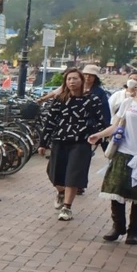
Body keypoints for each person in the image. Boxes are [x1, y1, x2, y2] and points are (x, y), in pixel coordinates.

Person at [38, 68, 104, 221]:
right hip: (60, 140)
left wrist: (97, 136)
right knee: (54, 173)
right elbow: (50, 121)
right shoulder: (60, 99)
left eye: (75, 79)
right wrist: (43, 142)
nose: (72, 82)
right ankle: (60, 191)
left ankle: (67, 207)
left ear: (81, 80)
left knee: (73, 175)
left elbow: (101, 120)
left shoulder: (92, 100)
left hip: (80, 142)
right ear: (65, 82)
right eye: (69, 79)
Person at [90, 82, 137, 244]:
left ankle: (133, 231)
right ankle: (118, 226)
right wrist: (98, 135)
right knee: (115, 189)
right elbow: (115, 126)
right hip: (123, 152)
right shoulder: (128, 103)